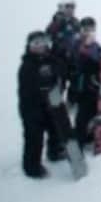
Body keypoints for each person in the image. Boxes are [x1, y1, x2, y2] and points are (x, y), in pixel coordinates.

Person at [18, 31, 73, 178]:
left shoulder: (52, 59)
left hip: (53, 97)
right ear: (29, 46)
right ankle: (32, 167)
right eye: (36, 43)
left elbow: (63, 71)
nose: (39, 46)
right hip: (32, 105)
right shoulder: (27, 65)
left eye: (43, 42)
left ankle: (55, 152)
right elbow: (29, 88)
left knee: (59, 127)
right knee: (34, 136)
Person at [68, 19, 101, 147]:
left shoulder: (95, 44)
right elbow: (76, 60)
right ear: (81, 30)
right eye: (86, 29)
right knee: (83, 113)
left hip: (94, 85)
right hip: (81, 86)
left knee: (94, 110)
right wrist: (86, 50)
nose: (89, 32)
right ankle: (79, 138)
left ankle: (90, 134)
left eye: (91, 29)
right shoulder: (76, 43)